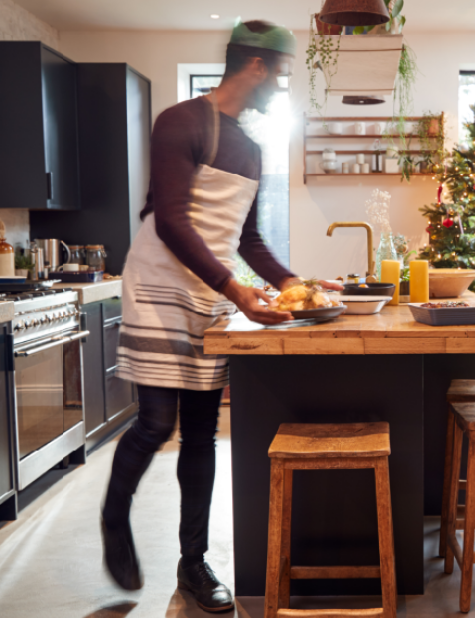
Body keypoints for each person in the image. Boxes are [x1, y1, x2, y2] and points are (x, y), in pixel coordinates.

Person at [103, 21, 340, 612]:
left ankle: (192, 565)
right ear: (255, 66)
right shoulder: (180, 122)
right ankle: (114, 517)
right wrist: (238, 292)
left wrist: (296, 284)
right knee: (157, 425)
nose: (281, 84)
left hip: (208, 294)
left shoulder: (252, 149)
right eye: (280, 72)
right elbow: (172, 222)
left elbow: (248, 237)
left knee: (203, 434)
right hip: (159, 287)